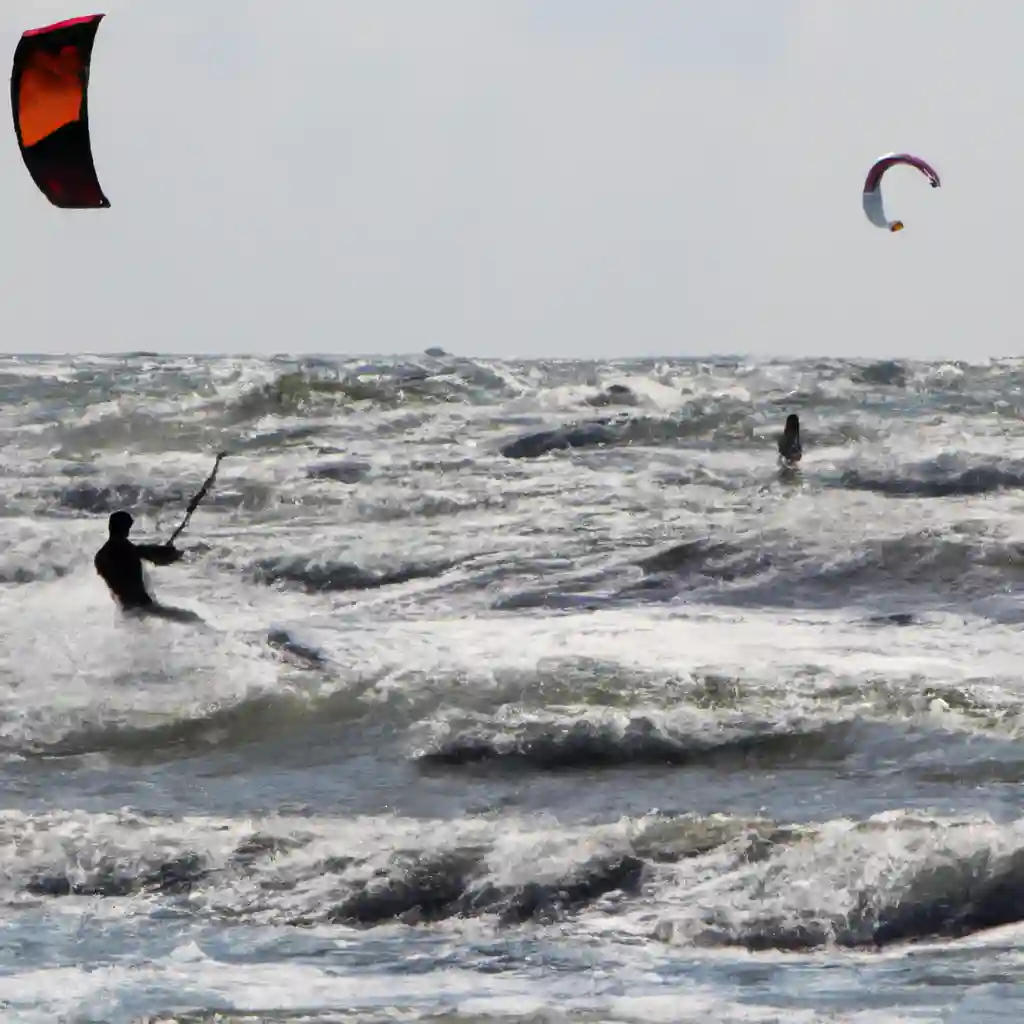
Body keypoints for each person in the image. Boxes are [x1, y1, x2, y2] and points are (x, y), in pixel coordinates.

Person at [94, 510, 198, 622]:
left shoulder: (100, 556)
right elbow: (146, 553)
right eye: (127, 527)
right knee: (191, 619)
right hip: (143, 607)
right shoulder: (126, 549)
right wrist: (168, 553)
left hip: (126, 610)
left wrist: (162, 553)